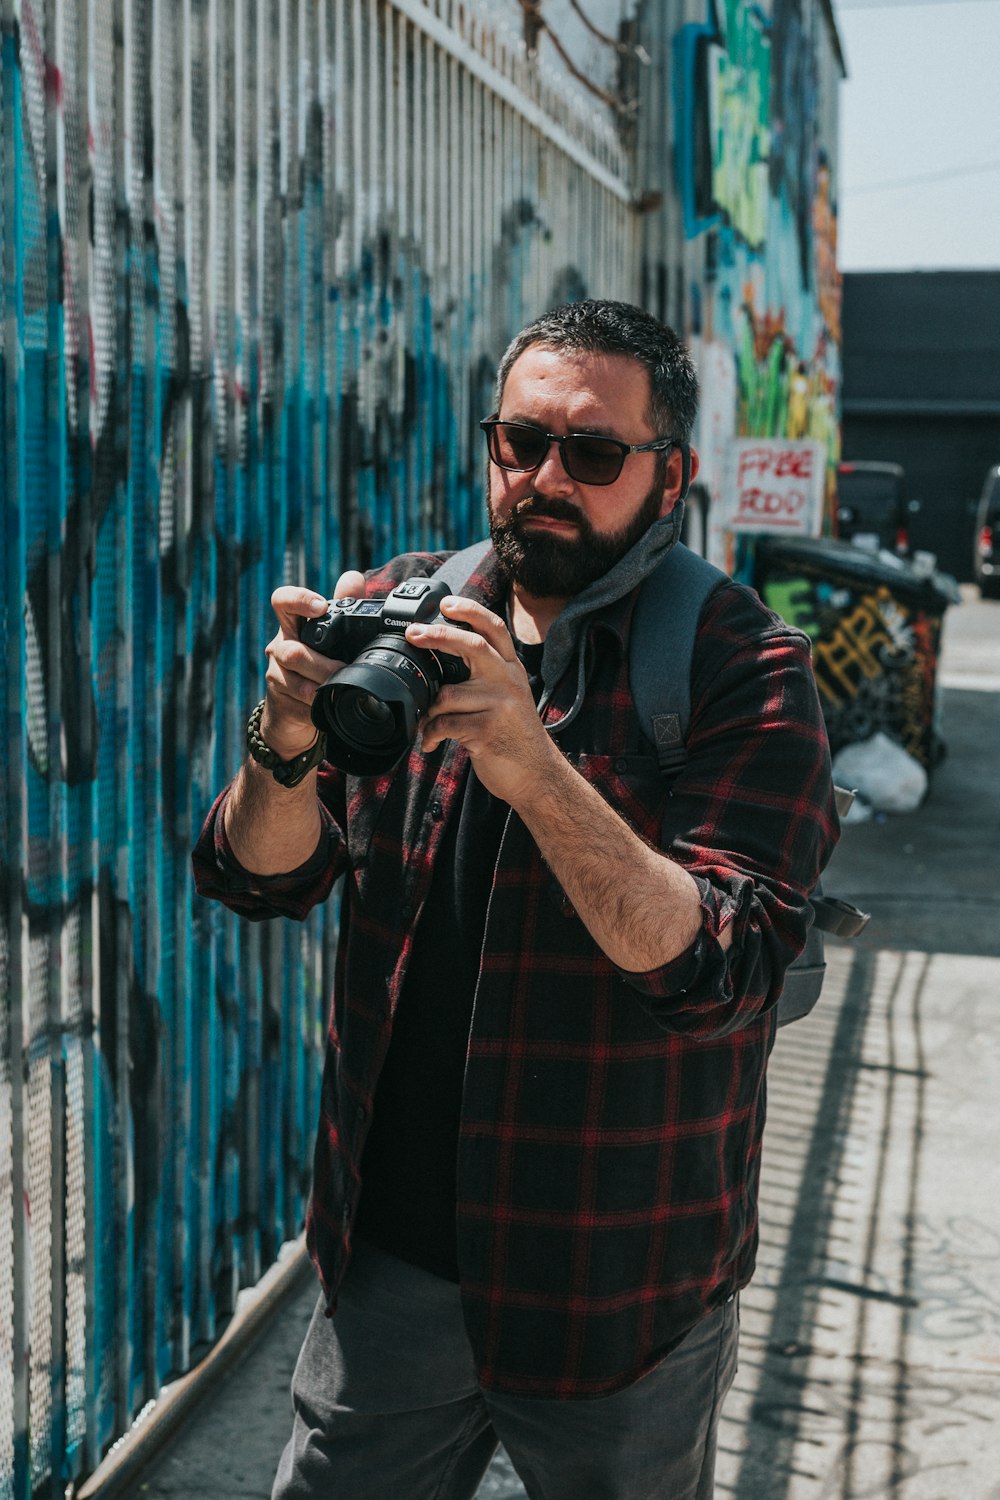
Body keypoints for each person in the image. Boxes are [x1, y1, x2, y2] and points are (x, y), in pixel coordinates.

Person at [193, 299, 839, 1500]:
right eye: (518, 443)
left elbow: (728, 969)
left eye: (592, 454)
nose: (545, 478)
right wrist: (282, 738)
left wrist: (536, 769)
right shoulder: (406, 610)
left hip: (616, 1289)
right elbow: (259, 877)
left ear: (670, 476)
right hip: (387, 1272)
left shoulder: (740, 667)